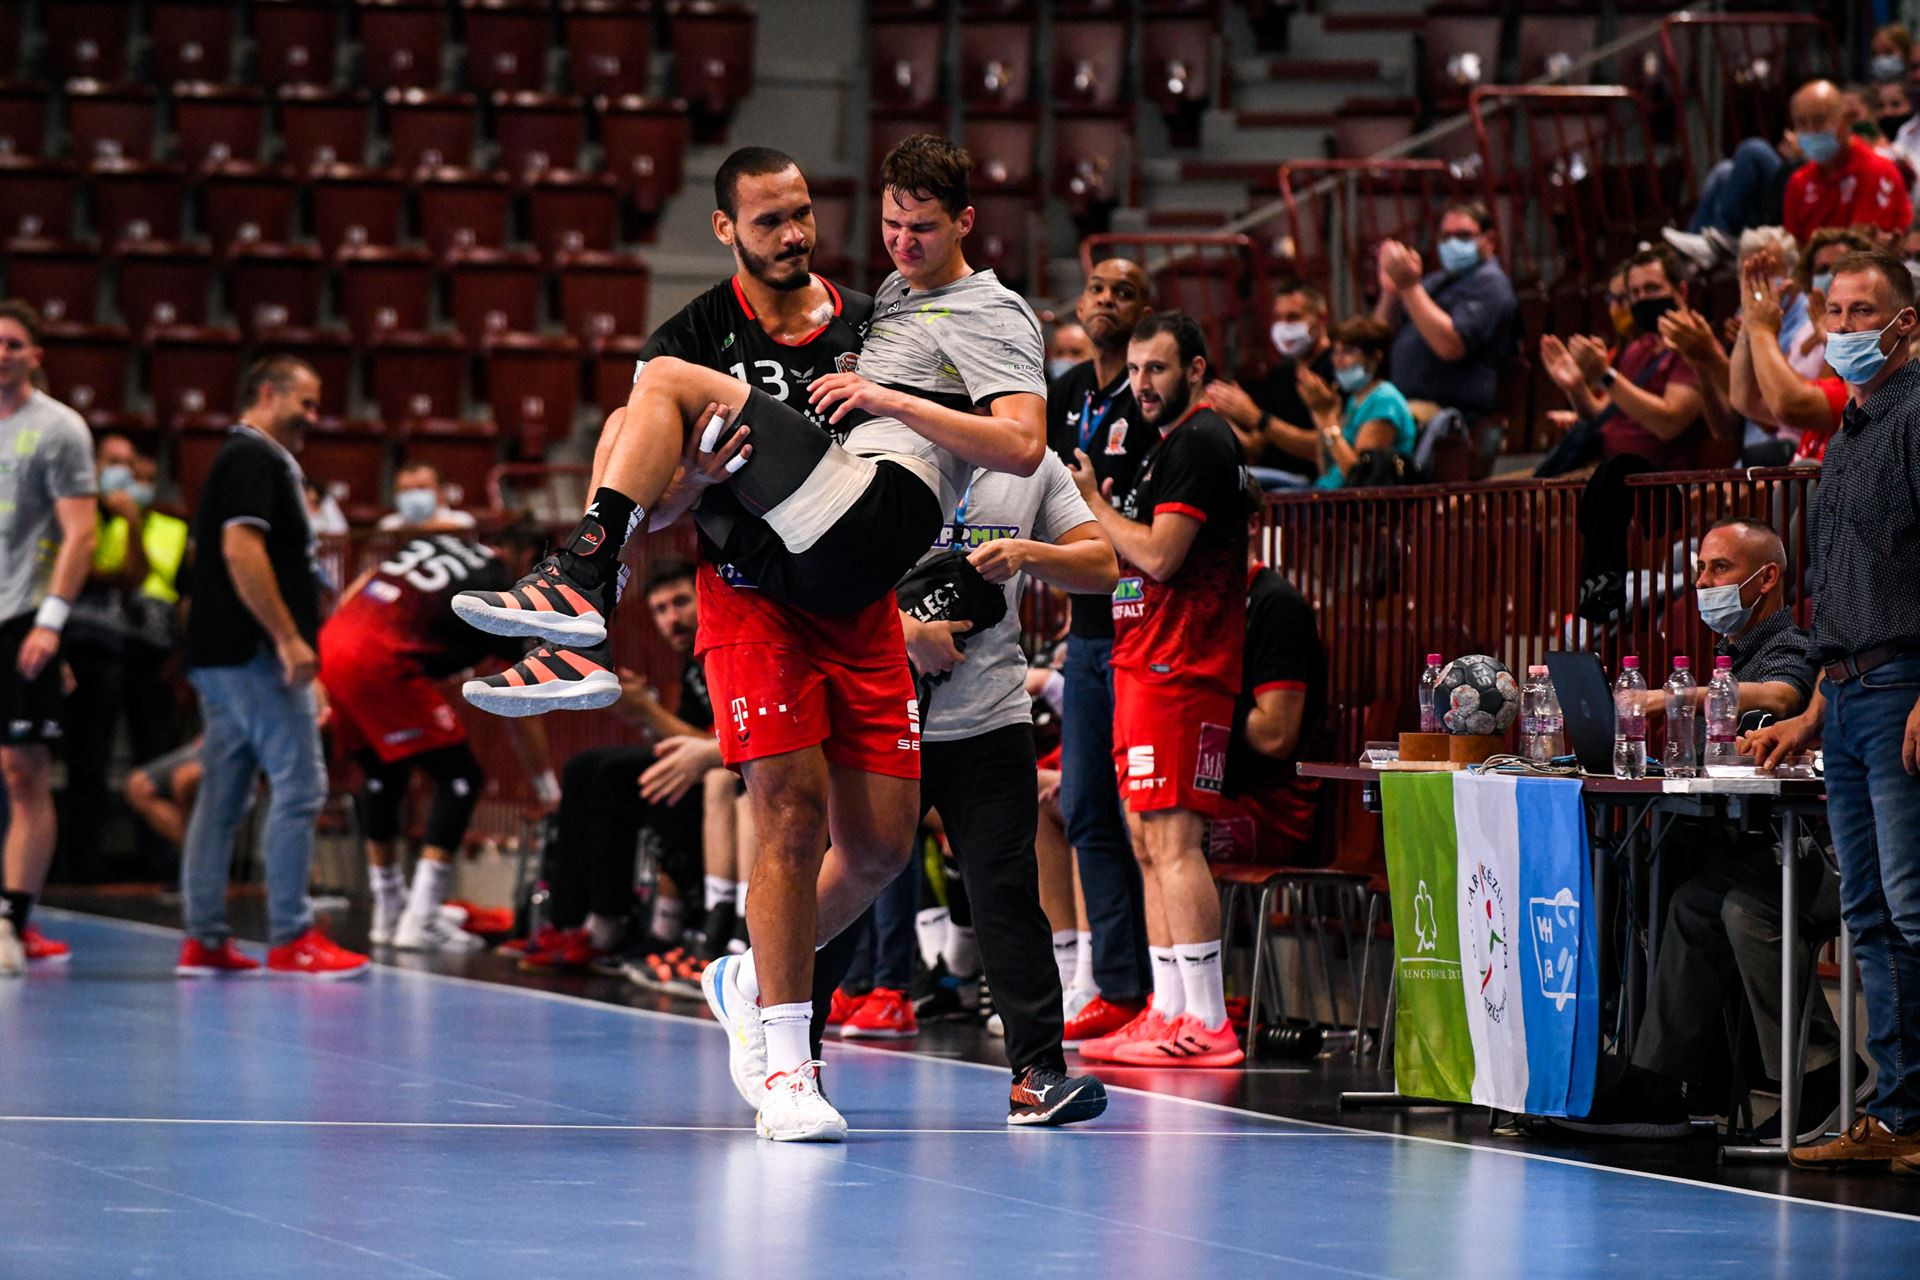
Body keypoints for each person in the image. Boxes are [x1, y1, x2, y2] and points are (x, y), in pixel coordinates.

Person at [854, 442, 1118, 1118]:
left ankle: (1037, 1075)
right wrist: (905, 630)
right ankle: (792, 1056)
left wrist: (1030, 553)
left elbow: (1103, 567)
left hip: (994, 720)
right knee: (850, 880)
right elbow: (820, 573)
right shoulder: (873, 447)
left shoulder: (1032, 463)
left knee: (1007, 891)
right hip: (885, 714)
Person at [1556, 518, 1841, 1141]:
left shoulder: (1787, 644)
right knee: (1684, 899)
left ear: (1766, 578)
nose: (1703, 583)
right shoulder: (1729, 654)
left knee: (1732, 902)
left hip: (1809, 850)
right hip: (1751, 843)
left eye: (1720, 569)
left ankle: (1820, 1076)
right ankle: (1659, 1081)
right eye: (1700, 570)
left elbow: (1782, 697)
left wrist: (1672, 698)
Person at [1746, 250, 1920, 1175]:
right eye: (1836, 312)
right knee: (1870, 911)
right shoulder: (1848, 433)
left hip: (1901, 687)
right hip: (1847, 693)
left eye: (1863, 312)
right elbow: (1845, 591)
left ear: (1906, 323)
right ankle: (1897, 1114)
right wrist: (1813, 709)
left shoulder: (1917, 415)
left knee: (1913, 906)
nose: (1846, 327)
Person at [1068, 310, 1248, 1069]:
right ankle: (1168, 1008)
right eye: (1136, 369)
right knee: (1146, 842)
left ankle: (1207, 1020)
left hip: (1182, 667)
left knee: (1174, 842)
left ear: (1196, 371)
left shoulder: (1201, 441)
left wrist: (1096, 507)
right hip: (1144, 661)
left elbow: (1163, 556)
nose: (1141, 383)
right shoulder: (1168, 446)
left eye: (1159, 369)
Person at [173, 355, 368, 980]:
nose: (313, 416)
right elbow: (241, 549)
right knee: (301, 786)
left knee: (223, 796)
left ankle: (204, 938)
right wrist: (287, 638)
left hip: (222, 654)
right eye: (305, 403)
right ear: (266, 393)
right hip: (254, 654)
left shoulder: (241, 458)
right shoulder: (254, 458)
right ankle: (291, 935)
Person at [321, 523, 557, 952]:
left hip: (336, 640)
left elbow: (363, 580)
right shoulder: (504, 591)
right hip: (381, 659)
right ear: (528, 558)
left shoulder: (441, 544)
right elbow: (518, 699)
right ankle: (422, 917)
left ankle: (389, 911)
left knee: (383, 773)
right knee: (460, 777)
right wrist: (546, 786)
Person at [1045, 256, 1156, 1047]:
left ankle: (1160, 987)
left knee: (1142, 814)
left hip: (1144, 627)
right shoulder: (1064, 393)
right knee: (1083, 804)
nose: (1107, 300)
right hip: (1086, 631)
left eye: (1124, 292)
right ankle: (1113, 984)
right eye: (1097, 289)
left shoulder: (1149, 399)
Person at [519, 558, 718, 975]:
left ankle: (617, 924)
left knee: (615, 777)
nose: (672, 618)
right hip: (703, 766)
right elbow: (682, 738)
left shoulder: (721, 653)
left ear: (705, 599)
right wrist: (639, 714)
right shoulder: (691, 664)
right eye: (660, 609)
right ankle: (571, 920)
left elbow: (722, 744)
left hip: (729, 776)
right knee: (583, 768)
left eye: (681, 602)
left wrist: (647, 711)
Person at [0, 300, 97, 975]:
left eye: (13, 343)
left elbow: (81, 533)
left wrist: (51, 623)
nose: (1, 353)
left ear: (35, 355)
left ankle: (12, 921)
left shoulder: (60, 429)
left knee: (22, 771)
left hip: (23, 618)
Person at [1205, 479, 1328, 867]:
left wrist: (1194, 698)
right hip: (1207, 788)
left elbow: (1274, 736)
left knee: (1135, 823)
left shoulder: (1276, 606)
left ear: (1253, 524)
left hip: (1268, 812)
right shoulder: (1199, 605)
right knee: (1077, 800)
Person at [1537, 245, 1708, 472]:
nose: (1642, 299)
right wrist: (1576, 386)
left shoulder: (1696, 346)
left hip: (1657, 481)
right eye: (1634, 293)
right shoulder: (1639, 348)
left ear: (1682, 291)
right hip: (1609, 469)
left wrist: (1604, 375)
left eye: (1652, 288)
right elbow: (1603, 414)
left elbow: (1668, 424)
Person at [1371, 200, 1518, 426]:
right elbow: (1375, 340)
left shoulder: (1491, 283)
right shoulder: (1435, 281)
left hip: (1451, 411)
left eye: (1463, 235)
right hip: (1405, 401)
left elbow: (1450, 346)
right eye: (1445, 237)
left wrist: (1409, 287)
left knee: (1377, 426)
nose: (1452, 243)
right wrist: (1390, 292)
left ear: (1489, 240)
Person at [1206, 280, 1338, 488]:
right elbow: (1254, 447)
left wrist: (1257, 418)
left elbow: (1324, 447)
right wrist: (1224, 416)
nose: (1284, 326)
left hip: (1312, 481)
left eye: (1293, 317)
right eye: (1278, 318)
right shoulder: (1281, 375)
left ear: (1321, 318)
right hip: (1274, 477)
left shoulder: (1336, 367)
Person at [1780, 80, 1911, 248]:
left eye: (1820, 120)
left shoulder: (1879, 170)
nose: (1811, 130)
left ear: (1846, 119)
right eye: (1802, 123)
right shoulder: (1798, 182)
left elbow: (1860, 247)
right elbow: (1794, 248)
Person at [1299, 316, 1417, 490]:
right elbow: (1325, 470)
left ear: (1376, 357)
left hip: (1346, 501)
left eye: (1347, 352)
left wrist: (1327, 420)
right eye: (1335, 352)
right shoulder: (1355, 399)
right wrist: (1320, 416)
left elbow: (1362, 479)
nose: (1337, 360)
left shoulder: (1384, 400)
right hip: (1324, 491)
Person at [377, 461, 477, 532]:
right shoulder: (388, 525)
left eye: (422, 487)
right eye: (406, 489)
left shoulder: (462, 520)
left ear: (441, 492)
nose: (414, 494)